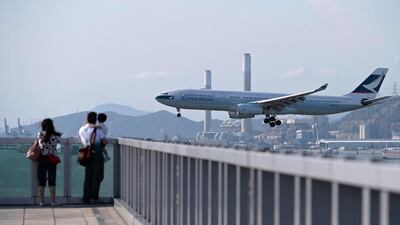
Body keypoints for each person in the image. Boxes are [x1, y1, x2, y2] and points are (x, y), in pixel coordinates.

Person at [79, 112, 107, 204]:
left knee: (88, 177)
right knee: (97, 177)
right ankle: (94, 198)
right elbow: (104, 141)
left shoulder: (81, 129)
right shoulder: (97, 130)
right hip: (97, 155)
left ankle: (86, 198)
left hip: (86, 155)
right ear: (95, 119)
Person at [37, 118, 62, 206]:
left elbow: (40, 146)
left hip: (42, 159)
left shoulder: (40, 134)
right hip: (52, 159)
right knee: (52, 180)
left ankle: (41, 202)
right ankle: (53, 201)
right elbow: (59, 149)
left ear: (43, 126)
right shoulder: (56, 136)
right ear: (52, 126)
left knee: (41, 181)